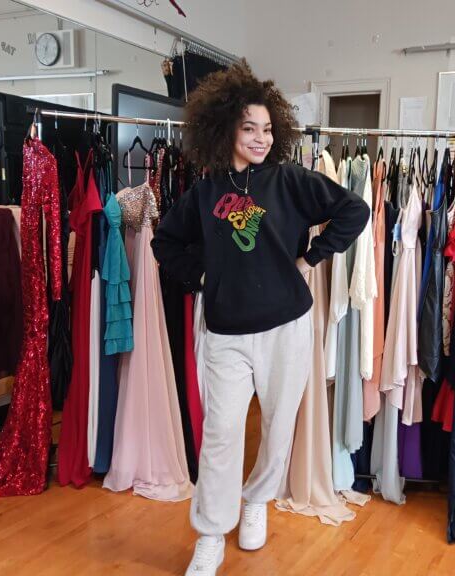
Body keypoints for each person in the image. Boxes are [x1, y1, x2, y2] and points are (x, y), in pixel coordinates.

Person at [151, 61, 369, 576]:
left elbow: (354, 211)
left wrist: (310, 257)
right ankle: (210, 533)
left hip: (286, 328)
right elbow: (165, 242)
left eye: (268, 128)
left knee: (277, 430)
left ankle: (256, 502)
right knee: (223, 434)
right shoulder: (204, 193)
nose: (260, 138)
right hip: (226, 330)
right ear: (225, 128)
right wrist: (201, 278)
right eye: (249, 127)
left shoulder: (290, 181)